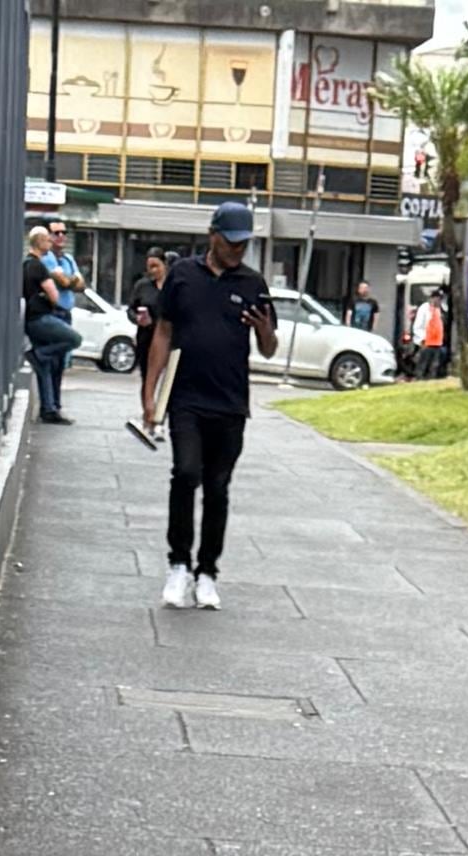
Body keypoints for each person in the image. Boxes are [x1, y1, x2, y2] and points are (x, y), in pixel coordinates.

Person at [148, 200, 274, 608]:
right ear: (213, 236)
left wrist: (264, 330)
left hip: (231, 402)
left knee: (218, 487)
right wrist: (149, 394)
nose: (237, 251)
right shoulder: (182, 274)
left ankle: (207, 571)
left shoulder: (253, 283)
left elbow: (270, 349)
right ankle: (178, 564)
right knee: (185, 473)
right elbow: (164, 332)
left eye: (244, 244)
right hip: (186, 396)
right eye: (231, 243)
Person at [22, 229, 76, 423]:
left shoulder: (25, 264)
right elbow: (55, 296)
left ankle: (48, 408)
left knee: (44, 368)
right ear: (39, 242)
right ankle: (39, 354)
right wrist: (52, 298)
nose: (51, 242)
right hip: (42, 318)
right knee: (74, 339)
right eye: (47, 239)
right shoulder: (39, 266)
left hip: (28, 318)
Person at [127, 241, 172, 443]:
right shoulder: (142, 286)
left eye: (156, 266)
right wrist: (137, 317)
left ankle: (160, 420)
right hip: (146, 336)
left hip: (169, 338)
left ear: (165, 265)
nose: (152, 271)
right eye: (149, 267)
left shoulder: (174, 285)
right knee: (148, 379)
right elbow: (131, 308)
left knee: (169, 381)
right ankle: (148, 418)